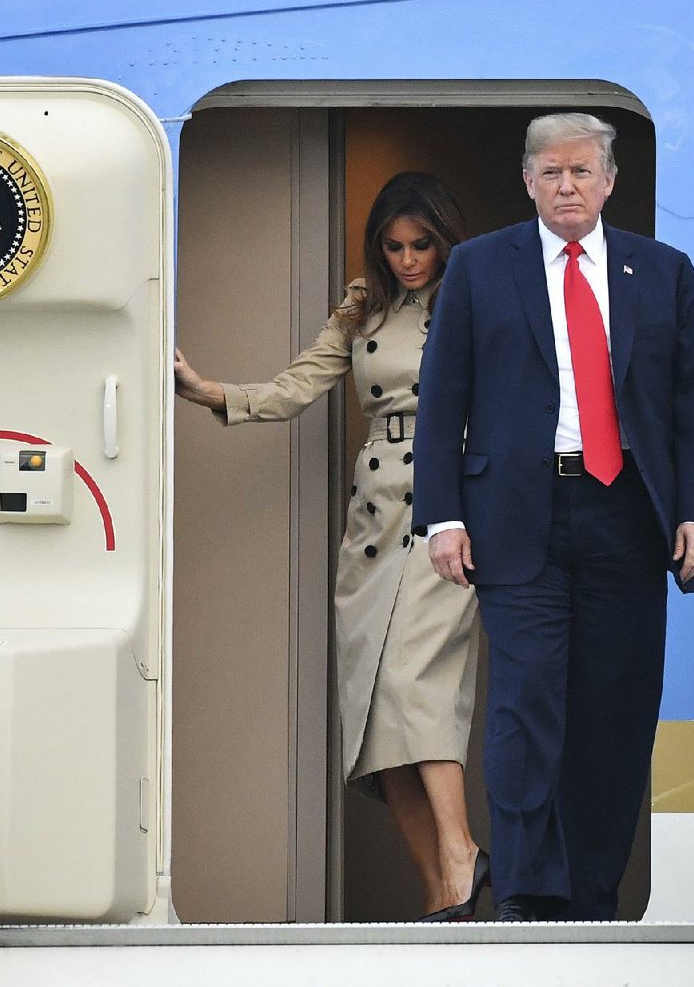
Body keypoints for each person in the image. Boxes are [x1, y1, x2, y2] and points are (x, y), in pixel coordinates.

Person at [412, 114, 694, 922]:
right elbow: (443, 397)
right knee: (526, 707)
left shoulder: (663, 271)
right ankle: (527, 891)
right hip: (519, 515)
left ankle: (590, 897)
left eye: (582, 172)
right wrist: (441, 515)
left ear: (609, 181)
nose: (567, 187)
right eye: (550, 173)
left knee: (613, 715)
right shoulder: (481, 267)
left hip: (628, 516)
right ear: (527, 181)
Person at [175, 172, 489, 921]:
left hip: (446, 513)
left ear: (446, 241)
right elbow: (298, 385)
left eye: (423, 245)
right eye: (395, 246)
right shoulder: (362, 307)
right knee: (380, 717)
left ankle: (463, 853)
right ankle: (442, 894)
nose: (410, 259)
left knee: (417, 683)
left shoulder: (475, 296)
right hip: (373, 524)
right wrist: (208, 390)